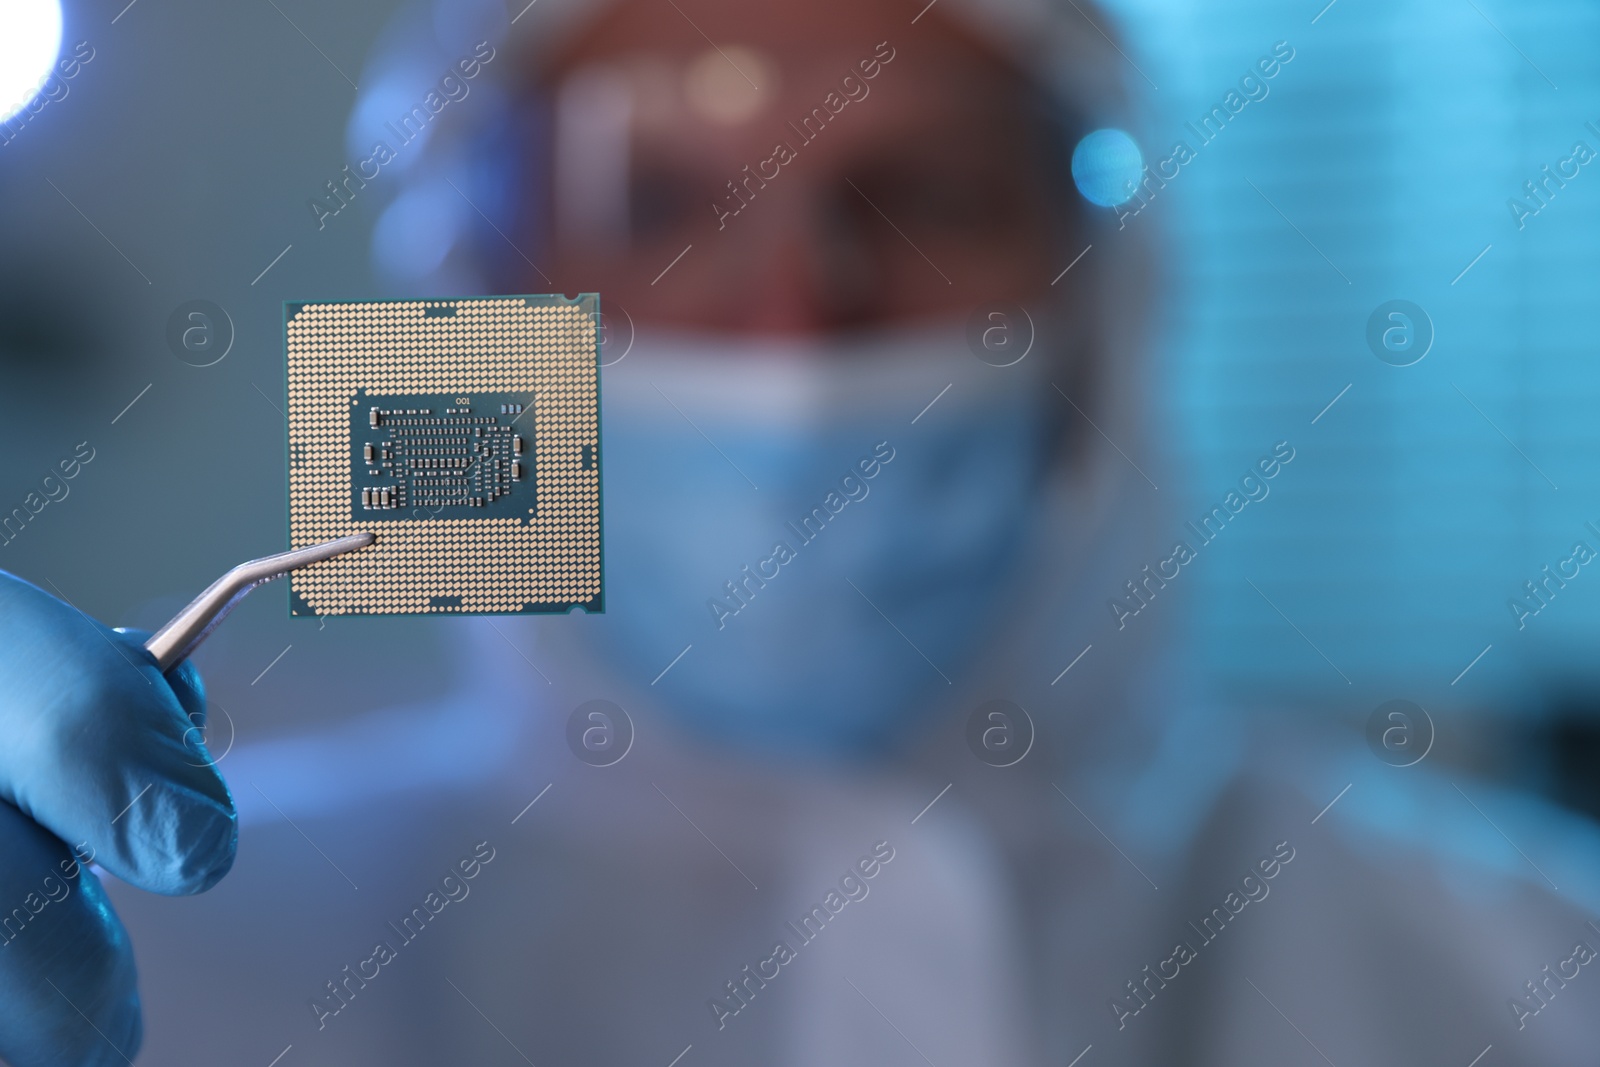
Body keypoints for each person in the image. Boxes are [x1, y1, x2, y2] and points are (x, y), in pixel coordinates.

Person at [5, 0, 1600, 1064]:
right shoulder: (136, 935)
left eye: (927, 196)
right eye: (654, 203)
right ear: (473, 304)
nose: (792, 319)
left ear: (1108, 300)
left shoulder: (1534, 971)